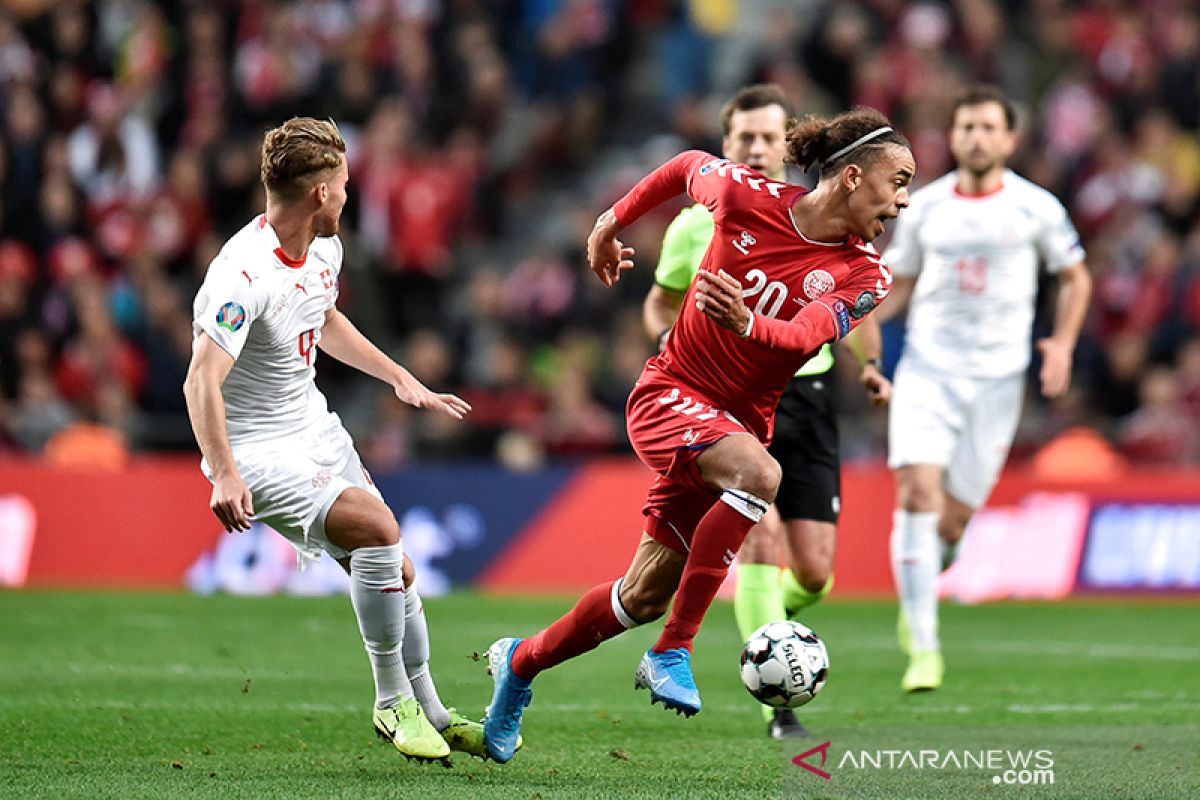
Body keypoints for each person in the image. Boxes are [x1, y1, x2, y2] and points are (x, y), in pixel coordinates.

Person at [481, 107, 915, 763]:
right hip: (668, 396)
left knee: (640, 596)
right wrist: (610, 223)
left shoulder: (866, 274)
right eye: (900, 181)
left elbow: (804, 336)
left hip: (733, 428)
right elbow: (685, 168)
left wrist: (747, 323)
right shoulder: (749, 196)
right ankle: (675, 649)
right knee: (761, 476)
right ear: (853, 177)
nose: (904, 200)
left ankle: (521, 664)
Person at [183, 117, 490, 763]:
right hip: (255, 449)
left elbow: (320, 317)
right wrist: (224, 474)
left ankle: (431, 708)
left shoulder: (325, 249)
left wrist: (400, 377)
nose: (350, 196)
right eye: (345, 185)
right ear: (321, 193)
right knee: (378, 527)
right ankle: (390, 702)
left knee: (396, 570)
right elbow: (200, 383)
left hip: (315, 429)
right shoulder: (241, 275)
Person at [641, 84, 891, 740]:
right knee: (761, 529)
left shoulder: (844, 247)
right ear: (728, 145)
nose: (756, 147)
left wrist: (869, 363)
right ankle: (775, 699)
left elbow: (847, 315)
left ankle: (765, 615)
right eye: (744, 138)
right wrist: (673, 341)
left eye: (767, 137)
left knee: (813, 571)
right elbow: (662, 304)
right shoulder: (703, 219)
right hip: (722, 402)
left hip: (805, 399)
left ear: (788, 145)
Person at [879, 85, 1092, 692]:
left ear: (1009, 139)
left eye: (987, 127)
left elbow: (1076, 278)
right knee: (917, 494)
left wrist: (1063, 343)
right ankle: (924, 644)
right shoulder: (924, 206)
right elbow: (896, 283)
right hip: (928, 371)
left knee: (950, 524)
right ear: (953, 137)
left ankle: (924, 578)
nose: (976, 136)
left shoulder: (1037, 208)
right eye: (966, 126)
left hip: (997, 383)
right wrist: (854, 324)